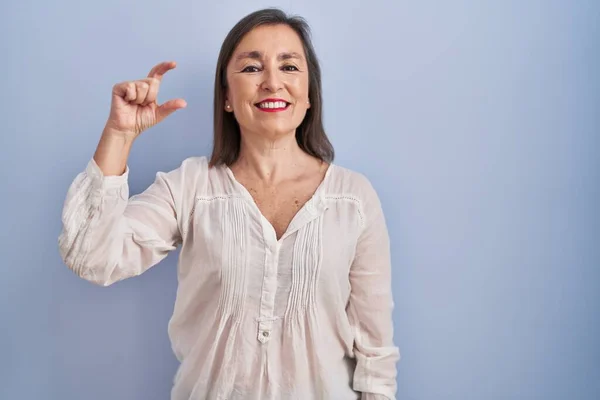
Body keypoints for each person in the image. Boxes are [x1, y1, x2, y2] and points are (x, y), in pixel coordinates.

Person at [58, 8, 399, 400]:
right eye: (252, 69)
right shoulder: (190, 187)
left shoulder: (354, 199)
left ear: (309, 94)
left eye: (289, 67)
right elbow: (91, 257)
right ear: (226, 98)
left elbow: (375, 356)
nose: (272, 82)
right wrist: (119, 134)